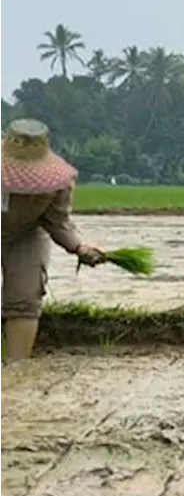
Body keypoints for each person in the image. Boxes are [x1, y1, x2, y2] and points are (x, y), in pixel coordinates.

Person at [0, 119, 106, 361]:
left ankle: (18, 368)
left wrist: (79, 246)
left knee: (25, 299)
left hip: (25, 236)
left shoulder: (55, 185)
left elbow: (58, 222)